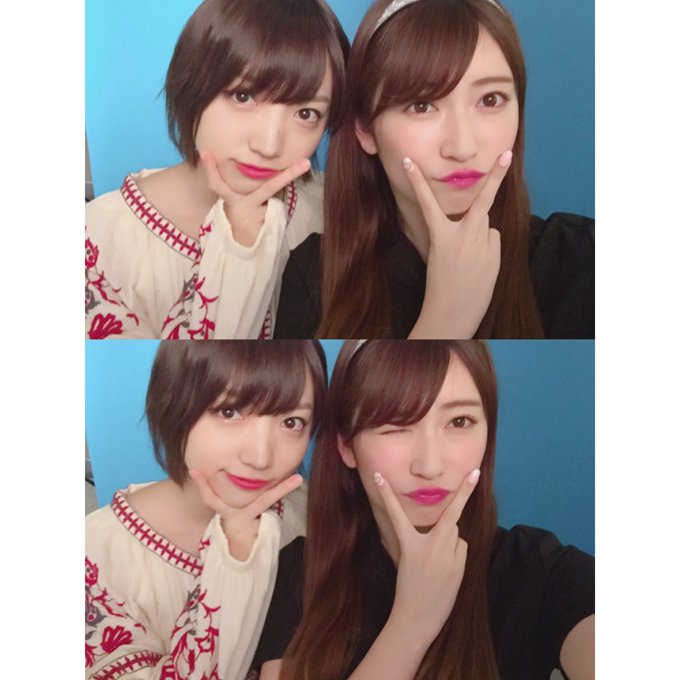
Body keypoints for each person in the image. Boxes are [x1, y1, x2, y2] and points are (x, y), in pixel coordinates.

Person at [253, 340, 595, 679]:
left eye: (459, 422)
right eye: (395, 425)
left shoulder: (544, 572)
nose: (430, 466)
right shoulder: (298, 574)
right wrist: (412, 622)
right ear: (347, 445)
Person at [273, 0, 594, 340]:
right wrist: (446, 319)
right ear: (366, 129)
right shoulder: (313, 277)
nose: (462, 147)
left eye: (490, 99)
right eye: (421, 105)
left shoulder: (582, 260)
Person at [85, 0, 348, 339]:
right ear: (192, 82)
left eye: (306, 113)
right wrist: (240, 252)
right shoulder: (99, 241)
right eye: (243, 96)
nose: (269, 146)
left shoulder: (333, 206)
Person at [85, 340, 327, 679]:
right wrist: (235, 559)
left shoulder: (317, 513)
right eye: (229, 412)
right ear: (172, 402)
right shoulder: (94, 557)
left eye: (291, 422)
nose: (260, 457)